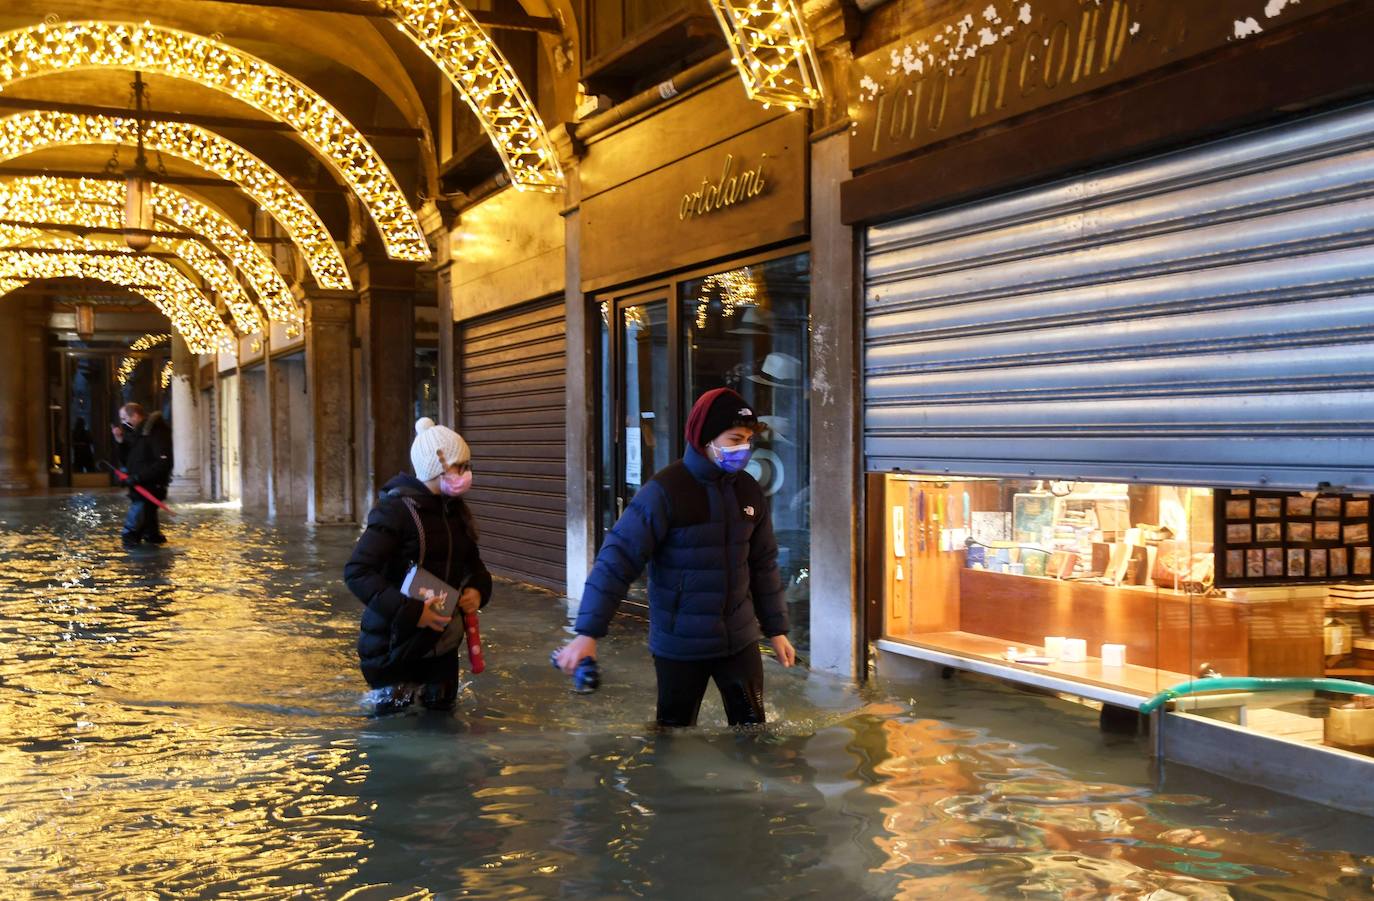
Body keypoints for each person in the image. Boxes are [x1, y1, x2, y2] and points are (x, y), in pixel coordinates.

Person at [555, 387, 796, 727]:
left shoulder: (747, 489)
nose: (743, 448)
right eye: (734, 439)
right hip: (680, 644)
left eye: (747, 440)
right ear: (706, 439)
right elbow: (616, 561)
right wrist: (587, 634)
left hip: (739, 639)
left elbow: (763, 563)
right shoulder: (665, 491)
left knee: (754, 732)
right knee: (673, 736)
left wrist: (777, 629)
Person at [344, 417, 493, 713]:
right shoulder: (395, 513)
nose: (466, 473)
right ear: (439, 466)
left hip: (442, 646)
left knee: (442, 727)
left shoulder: (456, 514)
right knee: (393, 733)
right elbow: (357, 572)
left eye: (467, 466)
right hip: (394, 647)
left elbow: (474, 566)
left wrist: (478, 590)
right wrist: (414, 612)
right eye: (460, 466)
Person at [111, 403, 173, 548]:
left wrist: (138, 478)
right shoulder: (138, 434)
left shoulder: (156, 432)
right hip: (140, 488)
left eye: (125, 418)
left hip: (148, 489)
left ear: (135, 416)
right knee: (150, 533)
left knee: (130, 534)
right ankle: (152, 562)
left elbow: (163, 463)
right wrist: (120, 442)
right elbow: (129, 459)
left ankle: (138, 566)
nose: (123, 422)